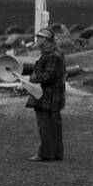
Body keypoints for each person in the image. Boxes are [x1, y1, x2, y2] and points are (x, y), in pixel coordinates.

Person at [24, 27, 66, 161]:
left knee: (46, 125)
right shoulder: (52, 53)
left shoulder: (52, 55)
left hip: (48, 94)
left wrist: (31, 79)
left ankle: (46, 154)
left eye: (39, 37)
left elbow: (49, 76)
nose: (37, 39)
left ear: (46, 40)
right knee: (53, 125)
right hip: (52, 94)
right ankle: (56, 153)